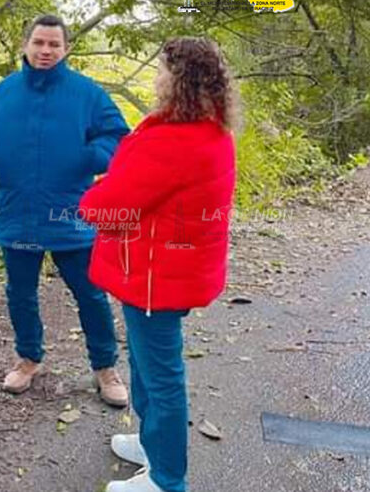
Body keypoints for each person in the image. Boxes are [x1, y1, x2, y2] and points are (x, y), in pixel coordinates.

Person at [79, 37, 238, 492]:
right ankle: (152, 446)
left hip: (153, 277)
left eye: (163, 70)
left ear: (179, 82)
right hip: (168, 272)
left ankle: (168, 479)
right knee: (147, 367)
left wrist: (96, 192)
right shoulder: (211, 131)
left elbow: (105, 209)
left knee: (162, 377)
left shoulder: (173, 142)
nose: (156, 78)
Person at [0, 14, 131, 406]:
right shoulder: (4, 93)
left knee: (90, 293)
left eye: (54, 44)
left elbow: (117, 135)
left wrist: (89, 157)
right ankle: (28, 359)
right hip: (17, 210)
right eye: (39, 42)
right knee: (20, 293)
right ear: (26, 45)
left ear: (66, 49)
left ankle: (105, 369)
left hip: (68, 213)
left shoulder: (86, 93)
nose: (45, 51)